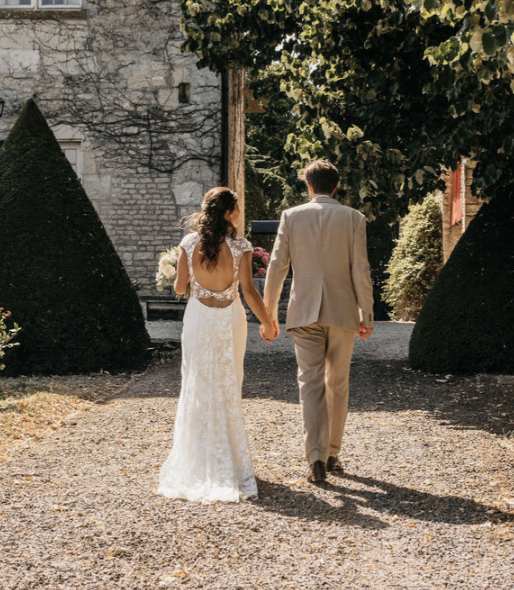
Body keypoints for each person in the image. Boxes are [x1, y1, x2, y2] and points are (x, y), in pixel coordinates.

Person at [158, 187, 278, 503]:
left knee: (197, 383)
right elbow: (249, 292)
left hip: (198, 318)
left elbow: (180, 288)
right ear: (227, 212)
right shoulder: (241, 247)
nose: (239, 213)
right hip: (229, 319)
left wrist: (174, 269)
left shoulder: (188, 243)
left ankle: (198, 458)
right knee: (228, 383)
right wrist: (267, 323)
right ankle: (229, 459)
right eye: (236, 208)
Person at [263, 160, 374, 484]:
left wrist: (269, 314)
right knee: (337, 384)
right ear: (336, 186)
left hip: (303, 312)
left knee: (310, 384)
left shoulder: (291, 216)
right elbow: (360, 269)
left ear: (308, 185)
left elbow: (277, 266)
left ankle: (315, 459)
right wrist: (366, 313)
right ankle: (332, 453)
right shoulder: (354, 218)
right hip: (342, 311)